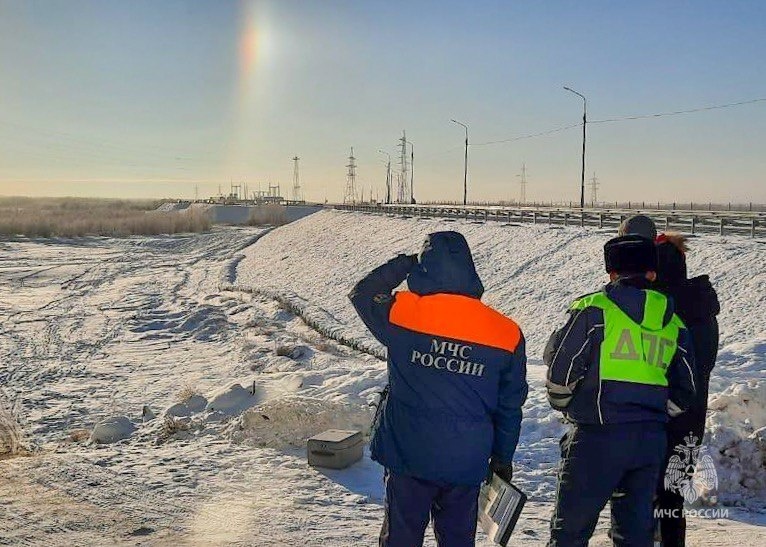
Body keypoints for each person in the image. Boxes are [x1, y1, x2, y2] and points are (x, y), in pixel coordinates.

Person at [349, 231, 528, 547]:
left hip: (408, 455)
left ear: (425, 267)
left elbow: (363, 293)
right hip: (467, 460)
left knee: (401, 539)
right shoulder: (506, 332)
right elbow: (510, 405)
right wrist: (502, 457)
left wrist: (404, 264)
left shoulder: (402, 312)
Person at [545, 235, 697, 547]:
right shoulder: (675, 323)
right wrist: (653, 412)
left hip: (595, 436)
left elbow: (562, 371)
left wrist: (565, 404)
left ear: (611, 273)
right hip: (648, 441)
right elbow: (687, 388)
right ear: (652, 274)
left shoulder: (592, 309)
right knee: (634, 536)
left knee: (569, 534)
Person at [619, 216, 720, 546]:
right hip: (690, 418)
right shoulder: (699, 300)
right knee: (672, 501)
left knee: (638, 499)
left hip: (650, 415)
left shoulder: (649, 302)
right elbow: (702, 364)